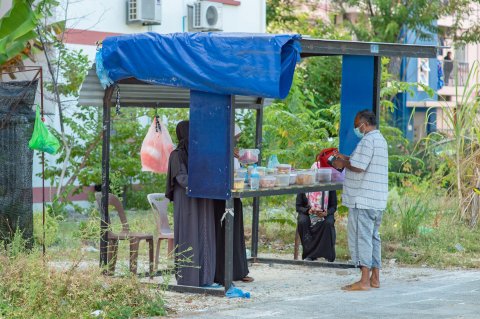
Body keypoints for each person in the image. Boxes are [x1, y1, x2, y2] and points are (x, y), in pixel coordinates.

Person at [331, 110, 388, 291]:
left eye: (357, 124)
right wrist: (345, 157)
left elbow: (359, 166)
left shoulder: (367, 140)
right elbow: (362, 161)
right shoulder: (380, 140)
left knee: (361, 238)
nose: (356, 128)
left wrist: (343, 164)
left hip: (362, 200)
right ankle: (375, 278)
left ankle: (363, 280)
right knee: (373, 237)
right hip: (376, 200)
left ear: (364, 123)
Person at [166, 120, 216, 287]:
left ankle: (205, 277)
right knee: (189, 234)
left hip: (202, 199)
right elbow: (182, 178)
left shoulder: (200, 153)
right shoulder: (176, 155)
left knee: (204, 233)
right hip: (187, 201)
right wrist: (205, 182)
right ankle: (189, 279)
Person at [214, 123, 253, 285]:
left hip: (234, 197)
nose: (236, 141)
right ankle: (223, 273)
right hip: (220, 199)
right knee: (224, 235)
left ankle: (239, 270)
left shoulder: (233, 153)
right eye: (235, 138)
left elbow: (239, 173)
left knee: (236, 234)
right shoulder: (217, 150)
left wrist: (240, 159)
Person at [296, 185, 337, 262]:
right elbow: (298, 207)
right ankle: (309, 255)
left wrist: (326, 213)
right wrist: (308, 211)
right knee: (303, 222)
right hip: (307, 213)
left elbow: (333, 207)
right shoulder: (304, 185)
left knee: (328, 223)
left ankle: (327, 255)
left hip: (325, 213)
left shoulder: (330, 185)